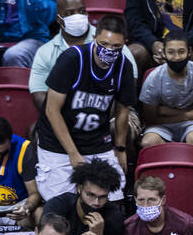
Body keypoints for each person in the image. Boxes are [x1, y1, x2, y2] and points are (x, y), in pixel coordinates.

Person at [34, 14, 134, 200]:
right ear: (94, 38)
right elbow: (51, 110)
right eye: (104, 44)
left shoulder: (123, 66)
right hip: (58, 144)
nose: (109, 50)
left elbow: (123, 110)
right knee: (62, 202)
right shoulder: (72, 59)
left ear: (124, 44)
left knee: (114, 197)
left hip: (96, 141)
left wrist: (120, 149)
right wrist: (73, 154)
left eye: (116, 47)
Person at [29, 0, 139, 108]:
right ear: (59, 19)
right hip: (62, 115)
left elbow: (131, 80)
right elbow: (39, 94)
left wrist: (107, 115)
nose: (78, 16)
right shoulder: (45, 52)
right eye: (70, 13)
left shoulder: (106, 39)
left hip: (108, 111)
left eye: (82, 11)